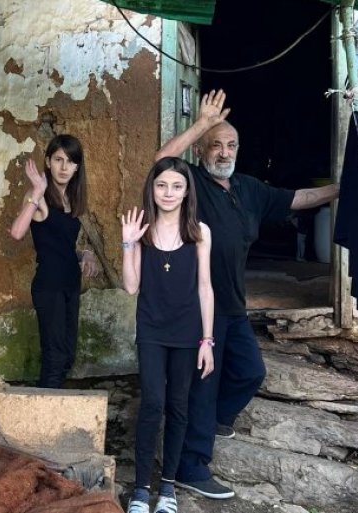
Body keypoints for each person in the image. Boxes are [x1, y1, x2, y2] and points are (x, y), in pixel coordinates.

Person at [154, 90, 339, 499]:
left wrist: (342, 189)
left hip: (234, 304)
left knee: (250, 372)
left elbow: (299, 198)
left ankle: (214, 422)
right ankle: (191, 467)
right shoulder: (190, 183)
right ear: (201, 150)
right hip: (197, 304)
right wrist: (202, 123)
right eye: (215, 145)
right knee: (203, 386)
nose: (224, 152)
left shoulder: (248, 188)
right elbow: (160, 161)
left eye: (231, 145)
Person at [121, 157, 216, 513]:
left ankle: (168, 489)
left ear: (187, 191)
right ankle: (140, 490)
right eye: (162, 185)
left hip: (188, 332)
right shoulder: (142, 231)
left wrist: (207, 341)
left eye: (177, 186)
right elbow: (131, 287)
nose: (169, 193)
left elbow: (205, 288)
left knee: (178, 406)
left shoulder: (200, 232)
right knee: (152, 403)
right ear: (152, 188)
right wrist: (128, 244)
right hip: (151, 329)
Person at [10, 134, 99, 388]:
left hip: (70, 284)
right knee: (55, 356)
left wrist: (85, 254)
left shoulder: (71, 199)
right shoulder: (39, 197)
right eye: (58, 159)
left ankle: (52, 405)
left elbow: (62, 246)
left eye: (70, 161)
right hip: (49, 287)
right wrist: (37, 191)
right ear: (48, 162)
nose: (64, 167)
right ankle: (45, 410)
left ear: (77, 167)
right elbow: (17, 232)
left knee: (67, 356)